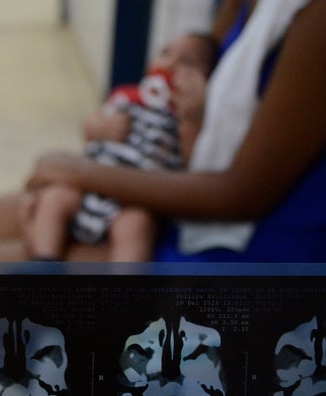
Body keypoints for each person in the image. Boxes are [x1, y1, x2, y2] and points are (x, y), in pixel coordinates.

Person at [0, 0, 326, 263]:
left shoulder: (325, 15)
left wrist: (78, 171)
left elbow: (242, 195)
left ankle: (118, 330)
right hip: (195, 189)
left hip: (253, 244)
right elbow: (194, 71)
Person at [20, 33, 219, 262]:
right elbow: (90, 127)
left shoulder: (185, 118)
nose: (171, 64)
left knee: (137, 225)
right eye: (166, 53)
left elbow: (192, 163)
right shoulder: (127, 95)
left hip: (135, 199)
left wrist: (192, 119)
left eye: (188, 62)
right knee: (54, 198)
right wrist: (99, 126)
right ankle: (43, 261)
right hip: (90, 187)